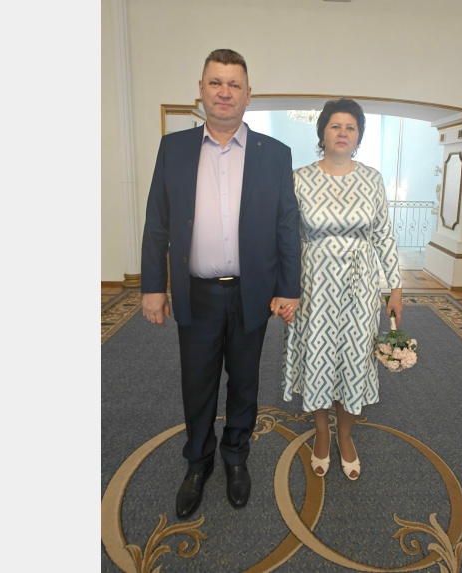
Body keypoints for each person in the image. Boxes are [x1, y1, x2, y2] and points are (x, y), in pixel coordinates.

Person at [141, 49, 301, 519]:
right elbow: (157, 223)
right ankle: (198, 462)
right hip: (198, 294)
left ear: (249, 95)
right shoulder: (174, 149)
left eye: (234, 84)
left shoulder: (275, 154)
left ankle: (235, 457)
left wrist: (289, 287)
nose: (224, 92)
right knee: (198, 384)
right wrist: (153, 287)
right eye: (216, 83)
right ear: (201, 90)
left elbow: (286, 226)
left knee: (245, 383)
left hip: (253, 293)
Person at [279, 98, 403, 481]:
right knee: (317, 356)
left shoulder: (372, 179)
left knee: (354, 356)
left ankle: (345, 435)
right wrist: (283, 288)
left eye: (351, 127)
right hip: (313, 286)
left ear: (359, 136)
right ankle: (321, 431)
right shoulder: (299, 178)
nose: (343, 133)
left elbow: (383, 234)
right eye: (335, 125)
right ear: (322, 132)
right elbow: (285, 239)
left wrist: (395, 287)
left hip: (360, 287)